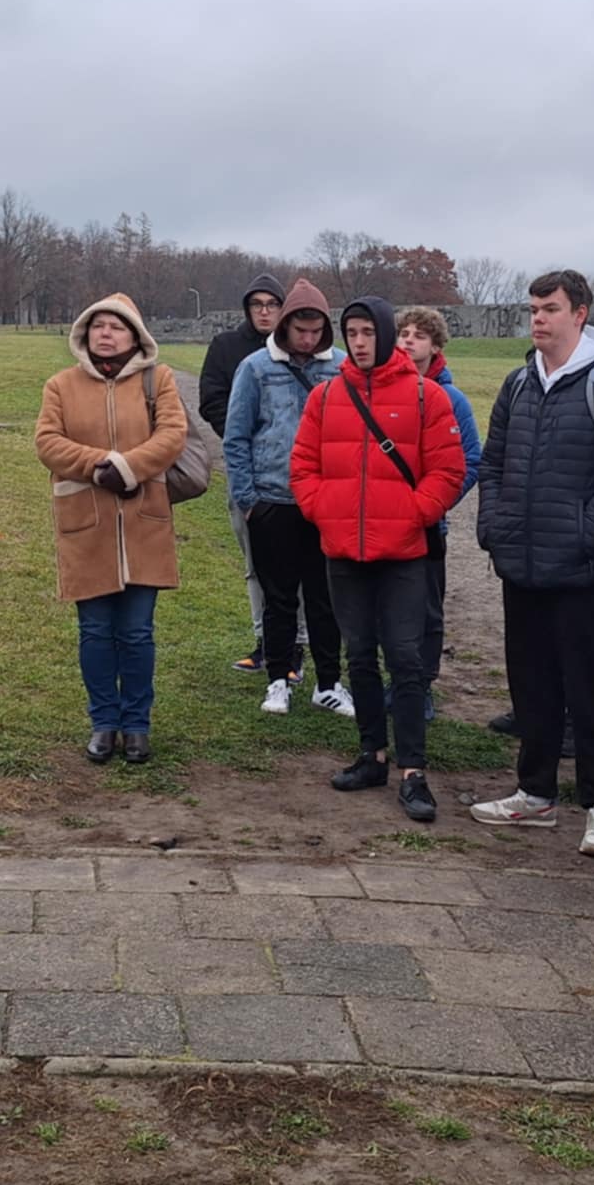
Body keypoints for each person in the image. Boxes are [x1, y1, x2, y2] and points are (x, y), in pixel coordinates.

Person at [470, 269, 594, 858]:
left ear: (581, 313)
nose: (538, 318)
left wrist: (581, 534)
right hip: (522, 567)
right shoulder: (518, 385)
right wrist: (493, 528)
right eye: (533, 309)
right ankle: (535, 793)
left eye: (549, 308)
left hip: (582, 572)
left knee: (590, 689)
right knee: (532, 687)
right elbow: (492, 465)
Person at [293, 298, 468, 822]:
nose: (361, 341)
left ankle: (413, 770)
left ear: (387, 335)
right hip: (344, 551)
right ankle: (372, 754)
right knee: (360, 656)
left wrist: (412, 513)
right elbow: (303, 466)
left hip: (402, 554)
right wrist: (326, 512)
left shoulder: (426, 396)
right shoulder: (326, 396)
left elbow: (448, 470)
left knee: (406, 660)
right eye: (352, 331)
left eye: (369, 331)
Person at [34, 293, 188, 766]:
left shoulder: (157, 379)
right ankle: (104, 721)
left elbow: (172, 434)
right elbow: (47, 441)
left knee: (137, 632)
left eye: (116, 327)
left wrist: (126, 468)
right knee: (96, 631)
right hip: (87, 525)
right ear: (84, 333)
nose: (106, 333)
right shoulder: (61, 385)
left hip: (144, 522)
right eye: (98, 325)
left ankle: (137, 725)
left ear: (135, 335)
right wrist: (97, 464)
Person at [222, 279, 349, 718]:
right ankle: (278, 679)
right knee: (278, 597)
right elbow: (236, 437)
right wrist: (248, 500)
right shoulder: (256, 368)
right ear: (285, 326)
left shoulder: (341, 368)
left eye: (316, 332)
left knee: (325, 597)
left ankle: (329, 683)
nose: (308, 340)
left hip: (326, 502)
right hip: (273, 500)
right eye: (301, 330)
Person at [393, 307, 483, 721]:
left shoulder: (452, 398)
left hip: (428, 523)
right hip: (384, 522)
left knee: (426, 609)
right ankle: (395, 680)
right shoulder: (382, 391)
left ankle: (422, 684)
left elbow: (470, 460)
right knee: (387, 607)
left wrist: (434, 503)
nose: (409, 341)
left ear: (436, 345)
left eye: (420, 336)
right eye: (404, 333)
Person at [198, 273, 288, 676]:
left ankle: (296, 646)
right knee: (257, 563)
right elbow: (212, 400)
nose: (265, 311)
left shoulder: (301, 348)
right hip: (246, 471)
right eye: (258, 305)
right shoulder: (227, 347)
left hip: (292, 476)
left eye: (272, 304)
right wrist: (244, 440)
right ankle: (266, 642)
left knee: (299, 568)